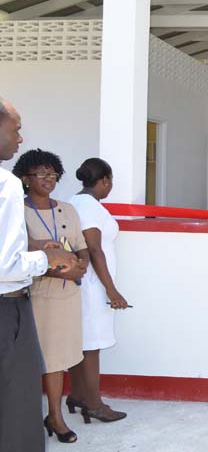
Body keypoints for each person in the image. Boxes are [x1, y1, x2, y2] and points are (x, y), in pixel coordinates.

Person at [0, 98, 78, 452]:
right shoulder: (5, 186)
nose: (19, 139)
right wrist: (47, 259)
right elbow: (7, 265)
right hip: (9, 306)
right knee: (18, 410)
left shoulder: (68, 209)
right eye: (15, 129)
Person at [13, 149, 90, 444]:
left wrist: (79, 267)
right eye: (41, 174)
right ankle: (27, 418)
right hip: (35, 295)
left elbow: (81, 248)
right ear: (25, 178)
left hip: (68, 296)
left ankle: (55, 416)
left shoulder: (67, 209)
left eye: (53, 173)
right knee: (33, 361)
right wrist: (60, 269)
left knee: (57, 360)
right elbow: (18, 255)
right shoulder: (16, 209)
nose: (48, 179)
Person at [69, 158, 129, 423]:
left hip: (84, 285)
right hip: (93, 287)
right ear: (104, 180)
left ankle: (79, 395)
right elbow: (95, 250)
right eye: (110, 181)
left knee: (81, 344)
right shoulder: (90, 207)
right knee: (92, 346)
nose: (110, 186)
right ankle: (94, 404)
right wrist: (112, 291)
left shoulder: (75, 200)